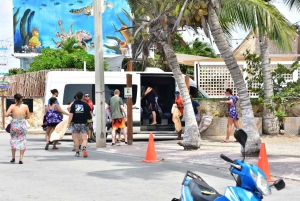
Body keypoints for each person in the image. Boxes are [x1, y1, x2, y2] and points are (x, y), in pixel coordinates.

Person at [5, 94, 30, 164]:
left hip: (14, 125)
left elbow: (6, 114)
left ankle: (13, 158)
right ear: (21, 99)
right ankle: (21, 159)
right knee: (22, 140)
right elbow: (28, 116)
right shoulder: (25, 106)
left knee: (14, 140)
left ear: (14, 99)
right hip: (22, 124)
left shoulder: (12, 106)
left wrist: (12, 114)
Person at [68, 92, 92, 157]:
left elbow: (71, 114)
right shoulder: (85, 104)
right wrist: (90, 122)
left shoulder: (74, 104)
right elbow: (89, 114)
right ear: (82, 97)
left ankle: (77, 152)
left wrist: (68, 123)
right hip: (84, 123)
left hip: (75, 123)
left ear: (76, 97)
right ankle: (84, 148)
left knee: (76, 139)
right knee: (84, 138)